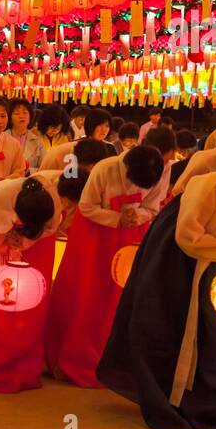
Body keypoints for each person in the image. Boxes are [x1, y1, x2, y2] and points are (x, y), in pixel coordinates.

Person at [99, 156, 216, 429]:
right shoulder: (207, 189)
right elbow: (187, 237)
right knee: (170, 324)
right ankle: (172, 399)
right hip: (176, 257)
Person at [44, 144, 168, 387]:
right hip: (95, 234)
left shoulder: (158, 173)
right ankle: (70, 357)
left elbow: (153, 206)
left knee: (120, 295)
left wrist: (138, 216)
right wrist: (116, 218)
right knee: (87, 291)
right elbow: (87, 206)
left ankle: (113, 359)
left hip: (131, 233)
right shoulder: (105, 169)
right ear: (127, 168)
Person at [0, 168, 87, 392]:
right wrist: (3, 239)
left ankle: (20, 360)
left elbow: (49, 230)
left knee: (27, 303)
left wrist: (24, 243)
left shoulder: (51, 205)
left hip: (37, 244)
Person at [39, 109, 112, 170]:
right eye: (99, 125)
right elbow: (70, 175)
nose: (104, 130)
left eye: (107, 126)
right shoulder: (77, 147)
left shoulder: (111, 148)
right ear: (91, 125)